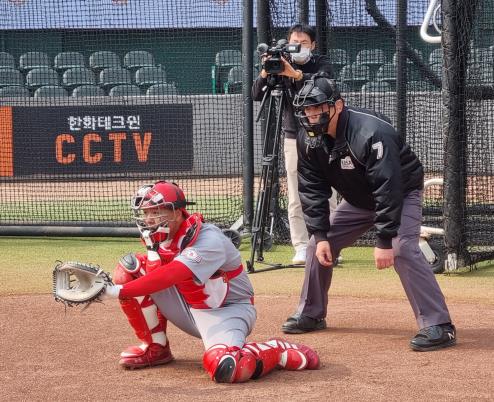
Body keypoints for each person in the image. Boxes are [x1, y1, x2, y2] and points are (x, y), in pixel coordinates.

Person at [280, 75, 456, 352]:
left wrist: (385, 240)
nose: (312, 117)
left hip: (400, 194)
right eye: (307, 111)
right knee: (316, 245)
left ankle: (439, 326)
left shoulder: (371, 132)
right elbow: (312, 189)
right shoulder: (307, 139)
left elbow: (389, 187)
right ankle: (311, 314)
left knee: (402, 249)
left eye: (318, 109)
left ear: (337, 105)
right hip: (358, 201)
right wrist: (321, 233)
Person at [101, 180, 320, 382]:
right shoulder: (162, 238)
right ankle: (156, 348)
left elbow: (172, 274)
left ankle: (276, 349)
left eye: (156, 212)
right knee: (128, 270)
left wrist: (115, 291)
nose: (149, 219)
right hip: (188, 304)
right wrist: (116, 284)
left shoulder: (209, 239)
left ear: (177, 213)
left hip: (226, 310)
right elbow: (155, 272)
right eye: (146, 212)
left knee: (228, 367)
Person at [252, 23, 337, 265]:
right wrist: (266, 71)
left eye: (304, 43)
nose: (298, 47)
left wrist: (296, 74)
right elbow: (256, 94)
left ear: (313, 45)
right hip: (292, 135)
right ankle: (301, 246)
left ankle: (330, 244)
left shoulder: (320, 63)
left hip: (323, 134)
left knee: (327, 191)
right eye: (294, 43)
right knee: (295, 192)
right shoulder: (280, 62)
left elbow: (326, 86)